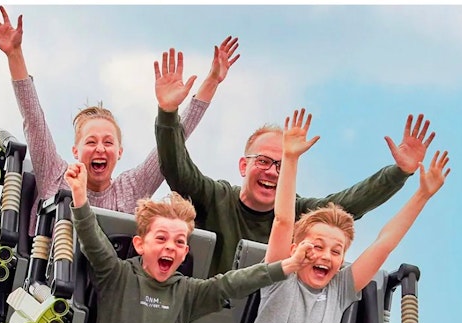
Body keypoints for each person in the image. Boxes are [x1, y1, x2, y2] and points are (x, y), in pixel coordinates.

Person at [244, 109, 450, 323]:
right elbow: (284, 219)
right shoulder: (279, 274)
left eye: (336, 251)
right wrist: (290, 159)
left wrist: (421, 195)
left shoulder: (341, 288)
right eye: (317, 245)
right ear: (295, 247)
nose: (326, 256)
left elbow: (384, 243)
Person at [0, 6, 240, 235]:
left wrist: (210, 83)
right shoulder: (55, 175)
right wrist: (14, 54)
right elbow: (33, 119)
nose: (100, 149)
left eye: (108, 143)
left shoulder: (131, 188)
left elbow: (174, 144)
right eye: (91, 142)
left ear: (119, 152)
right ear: (76, 150)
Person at [155, 81, 435, 275]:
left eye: (281, 164)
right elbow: (178, 169)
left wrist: (399, 172)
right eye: (263, 161)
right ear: (244, 165)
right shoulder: (215, 197)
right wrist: (168, 114)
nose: (271, 172)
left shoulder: (301, 214)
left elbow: (350, 203)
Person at [63, 163, 314, 323]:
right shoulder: (116, 275)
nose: (170, 247)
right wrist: (79, 193)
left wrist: (287, 266)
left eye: (179, 242)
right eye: (161, 238)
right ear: (139, 244)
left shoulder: (188, 292)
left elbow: (232, 283)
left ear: (185, 254)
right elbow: (92, 239)